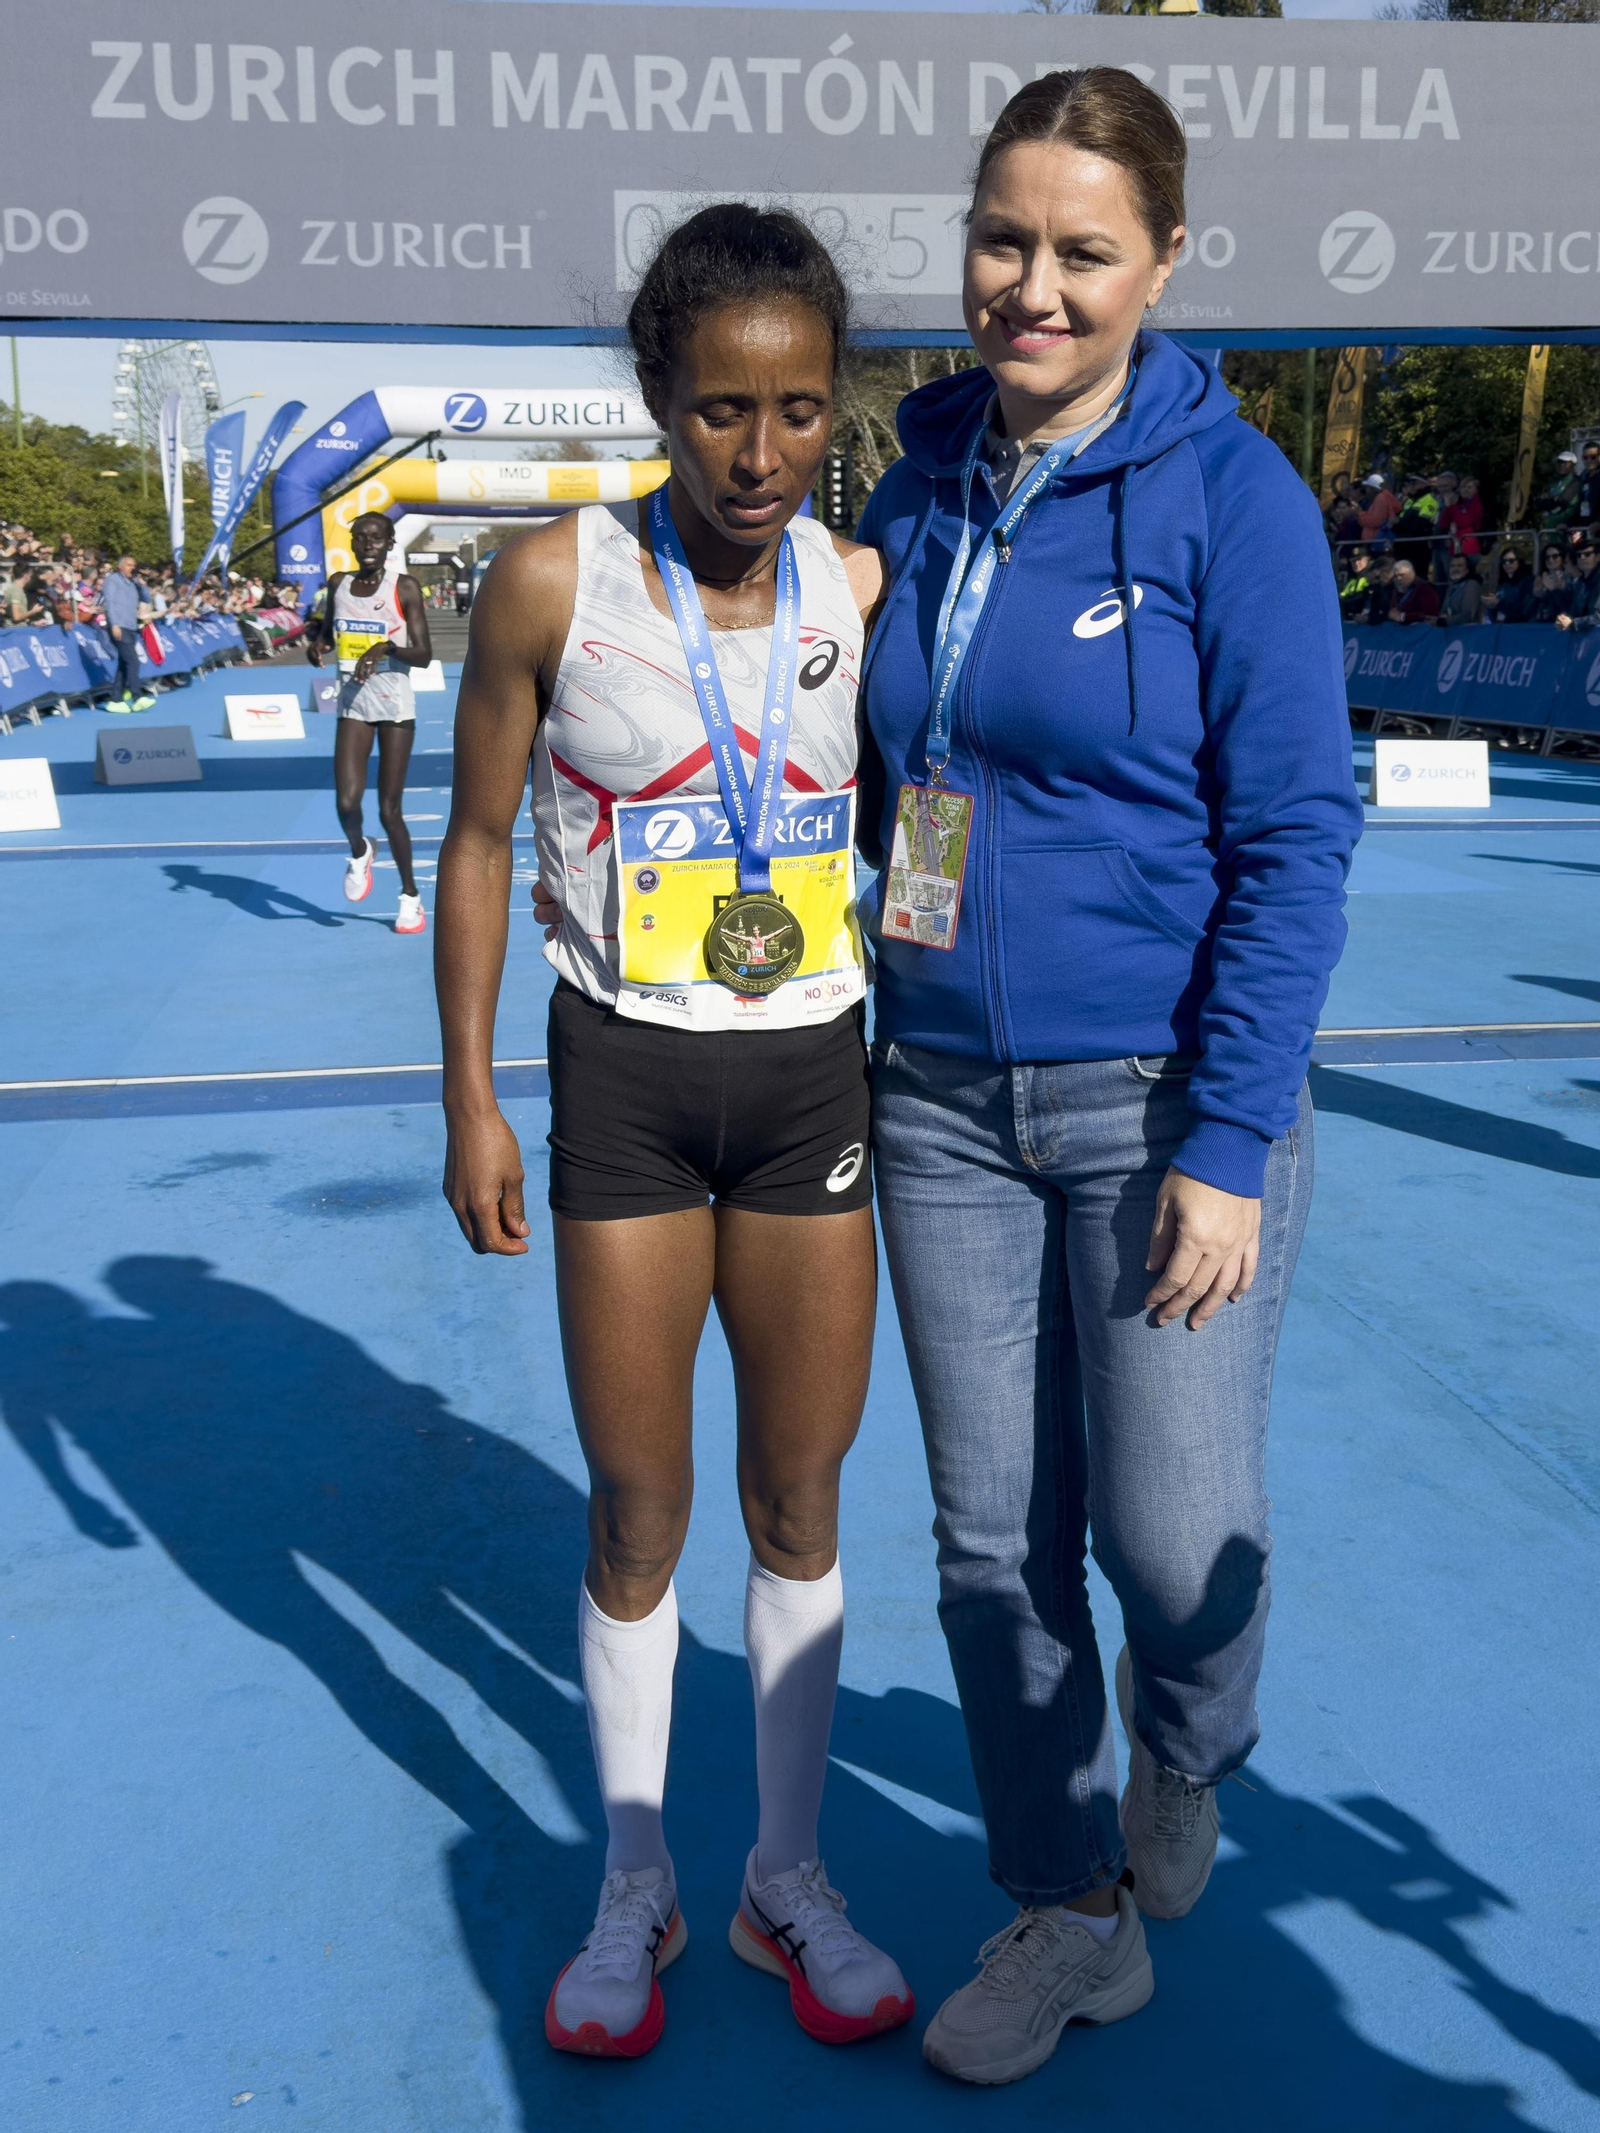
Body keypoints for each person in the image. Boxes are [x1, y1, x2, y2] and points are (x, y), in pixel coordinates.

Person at [855, 67, 1361, 2087]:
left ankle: (1182, 1746)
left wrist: (1227, 1140)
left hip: (1161, 1102)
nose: (1029, 287)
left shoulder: (1233, 499)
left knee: (1167, 1542)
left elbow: (1297, 836)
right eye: (1001, 239)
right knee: (992, 1542)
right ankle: (1064, 1910)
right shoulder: (909, 482)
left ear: (1160, 261)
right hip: (935, 1099)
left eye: (1078, 250)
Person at [437, 203, 912, 2062]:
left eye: (799, 410)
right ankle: (634, 1874)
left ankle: (785, 1875)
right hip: (622, 1087)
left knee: (801, 1503)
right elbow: (478, 840)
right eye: (723, 409)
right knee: (642, 1506)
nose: (762, 452)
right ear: (658, 392)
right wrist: (473, 1091)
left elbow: (926, 815)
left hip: (813, 1089)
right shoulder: (556, 584)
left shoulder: (858, 590)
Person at [304, 512, 431, 935]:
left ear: (390, 543)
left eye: (377, 538)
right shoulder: (338, 584)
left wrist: (382, 647)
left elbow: (424, 653)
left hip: (395, 704)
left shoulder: (404, 588)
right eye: (361, 538)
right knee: (346, 803)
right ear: (353, 544)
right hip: (353, 704)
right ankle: (360, 851)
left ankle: (410, 897)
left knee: (389, 808)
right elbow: (327, 632)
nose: (369, 544)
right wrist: (317, 645)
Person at [99, 555, 156, 713]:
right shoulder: (112, 580)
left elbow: (146, 598)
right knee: (133, 661)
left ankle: (116, 699)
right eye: (129, 565)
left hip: (131, 626)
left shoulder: (133, 583)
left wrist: (142, 584)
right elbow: (109, 602)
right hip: (119, 625)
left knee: (124, 663)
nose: (132, 567)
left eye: (134, 565)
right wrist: (114, 624)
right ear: (120, 566)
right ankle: (137, 696)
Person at [1554, 534, 1600, 630]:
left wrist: (1573, 623)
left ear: (1597, 557)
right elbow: (1571, 611)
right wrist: (1557, 591)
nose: (1582, 558)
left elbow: (1598, 617)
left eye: (1587, 554)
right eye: (1578, 555)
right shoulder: (1580, 583)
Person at [1529, 541, 1576, 625]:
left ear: (1562, 557)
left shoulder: (1570, 576)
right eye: (1547, 557)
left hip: (1564, 620)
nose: (1551, 560)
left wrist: (1556, 590)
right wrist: (1537, 594)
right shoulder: (1539, 577)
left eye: (1555, 556)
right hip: (1541, 620)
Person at [1484, 545, 1533, 624]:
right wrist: (1492, 606)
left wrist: (1498, 603)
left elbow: (1523, 611)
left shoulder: (1527, 582)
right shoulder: (1503, 583)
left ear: (1519, 561)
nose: (1507, 564)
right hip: (1501, 626)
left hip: (1520, 627)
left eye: (1511, 561)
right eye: (1504, 561)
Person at [1389, 555, 1441, 624]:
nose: (1398, 579)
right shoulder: (1397, 589)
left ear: (1411, 574)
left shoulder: (1425, 588)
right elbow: (1393, 609)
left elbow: (1430, 615)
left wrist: (1404, 616)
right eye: (1396, 576)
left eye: (1402, 575)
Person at [1356, 470, 1401, 548]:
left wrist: (1360, 514)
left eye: (1368, 488)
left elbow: (1376, 521)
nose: (1366, 491)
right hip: (1374, 540)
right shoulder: (1379, 498)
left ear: (1373, 489)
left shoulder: (1381, 498)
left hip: (1376, 541)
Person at [1439, 554, 1483, 626]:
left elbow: (1467, 616)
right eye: (1452, 566)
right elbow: (1443, 611)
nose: (1455, 569)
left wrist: (1442, 622)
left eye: (1459, 566)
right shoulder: (1452, 587)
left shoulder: (1471, 585)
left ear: (1467, 569)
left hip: (1468, 631)